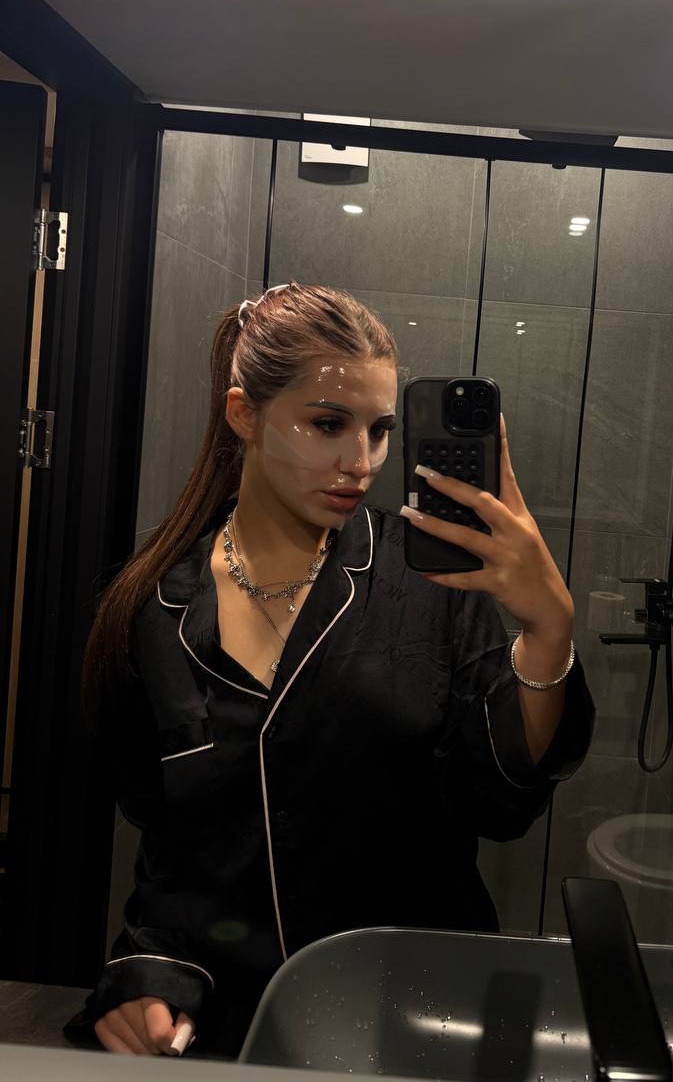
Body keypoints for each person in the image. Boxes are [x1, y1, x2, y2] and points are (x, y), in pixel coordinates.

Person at [66, 282, 594, 1059]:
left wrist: (549, 630)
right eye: (327, 425)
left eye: (380, 431)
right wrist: (147, 977)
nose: (362, 462)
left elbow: (499, 800)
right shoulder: (158, 610)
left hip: (413, 1015)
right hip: (231, 1026)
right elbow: (174, 852)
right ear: (243, 414)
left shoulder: (428, 584)